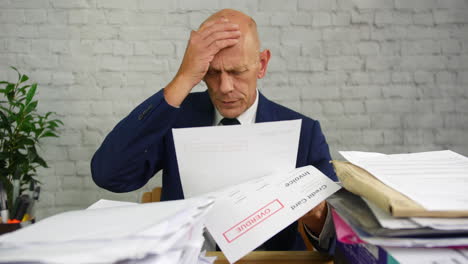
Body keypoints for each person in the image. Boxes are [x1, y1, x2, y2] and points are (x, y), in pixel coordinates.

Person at [91, 9, 337, 252]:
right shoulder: (175, 118)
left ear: (261, 65)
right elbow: (108, 174)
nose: (225, 87)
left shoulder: (304, 132)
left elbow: (341, 241)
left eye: (237, 72)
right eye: (211, 73)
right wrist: (184, 78)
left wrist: (317, 217)